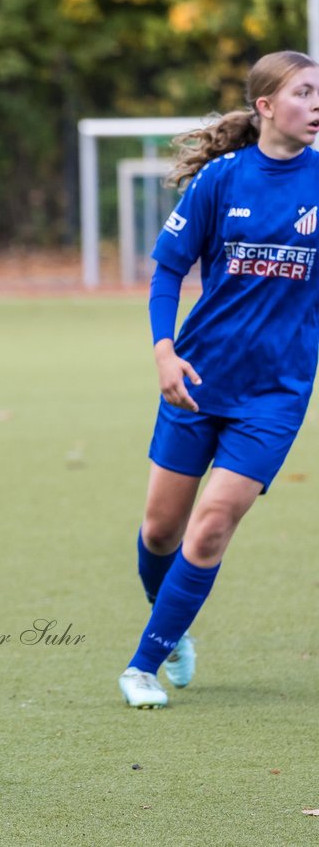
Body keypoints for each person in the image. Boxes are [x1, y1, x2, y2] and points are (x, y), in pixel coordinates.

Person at [118, 50, 319, 708]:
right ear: (265, 106)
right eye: (305, 92)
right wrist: (163, 351)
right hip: (197, 378)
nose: (317, 104)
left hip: (275, 394)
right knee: (159, 532)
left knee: (209, 527)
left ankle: (142, 665)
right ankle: (170, 627)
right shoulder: (221, 180)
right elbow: (168, 270)